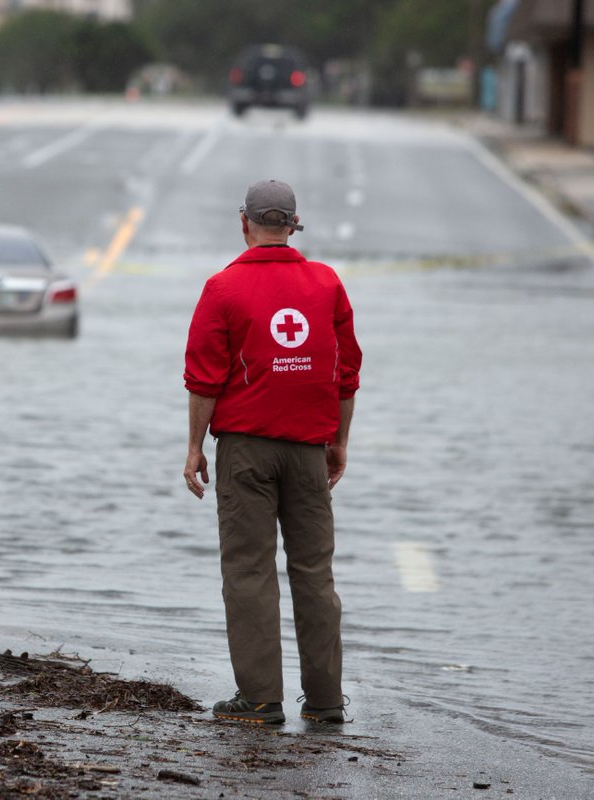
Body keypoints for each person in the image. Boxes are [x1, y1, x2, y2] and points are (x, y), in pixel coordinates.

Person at [183, 179, 362, 725]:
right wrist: (338, 443)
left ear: (245, 223)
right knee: (313, 572)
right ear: (292, 225)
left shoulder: (222, 288)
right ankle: (327, 701)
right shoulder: (326, 283)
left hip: (245, 452)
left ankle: (261, 699)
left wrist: (194, 447)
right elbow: (346, 373)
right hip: (309, 448)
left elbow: (204, 377)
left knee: (249, 570)